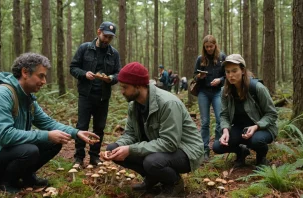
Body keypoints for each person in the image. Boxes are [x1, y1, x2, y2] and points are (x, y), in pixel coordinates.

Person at [0, 53, 99, 193]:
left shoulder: (27, 98)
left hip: (9, 149)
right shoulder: (1, 95)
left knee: (56, 141)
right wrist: (46, 135)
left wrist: (76, 132)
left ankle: (26, 176)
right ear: (25, 72)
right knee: (30, 150)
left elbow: (47, 122)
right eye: (41, 76)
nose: (44, 81)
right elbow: (5, 136)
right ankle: (5, 181)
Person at [101, 62, 204, 198]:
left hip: (187, 150)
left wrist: (131, 149)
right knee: (112, 149)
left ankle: (174, 183)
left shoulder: (167, 103)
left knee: (152, 161)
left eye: (125, 87)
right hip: (161, 147)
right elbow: (130, 134)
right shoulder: (134, 105)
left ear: (138, 86)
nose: (122, 91)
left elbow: (169, 143)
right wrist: (120, 147)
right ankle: (153, 178)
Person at [212, 54, 278, 167]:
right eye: (227, 72)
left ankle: (261, 156)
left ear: (242, 70)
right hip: (240, 129)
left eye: (234, 71)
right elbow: (224, 115)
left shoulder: (257, 88)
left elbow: (272, 114)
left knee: (256, 140)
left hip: (262, 128)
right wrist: (225, 131)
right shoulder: (225, 91)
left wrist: (256, 126)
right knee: (217, 147)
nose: (230, 75)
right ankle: (241, 152)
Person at [70, 21, 121, 166]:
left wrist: (111, 78)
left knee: (99, 127)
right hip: (86, 95)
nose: (107, 40)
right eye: (105, 36)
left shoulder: (114, 53)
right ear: (99, 32)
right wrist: (84, 74)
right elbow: (73, 68)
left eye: (110, 38)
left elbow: (119, 73)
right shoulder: (85, 48)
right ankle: (79, 158)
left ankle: (94, 157)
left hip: (103, 97)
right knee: (82, 126)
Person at [193, 35, 226, 161]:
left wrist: (220, 80)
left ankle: (218, 145)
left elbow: (227, 75)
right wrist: (199, 77)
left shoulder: (222, 57)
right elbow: (194, 76)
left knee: (219, 119)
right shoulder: (200, 59)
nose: (209, 49)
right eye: (206, 47)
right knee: (205, 122)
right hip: (203, 92)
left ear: (215, 45)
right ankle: (205, 150)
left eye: (211, 46)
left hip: (217, 92)